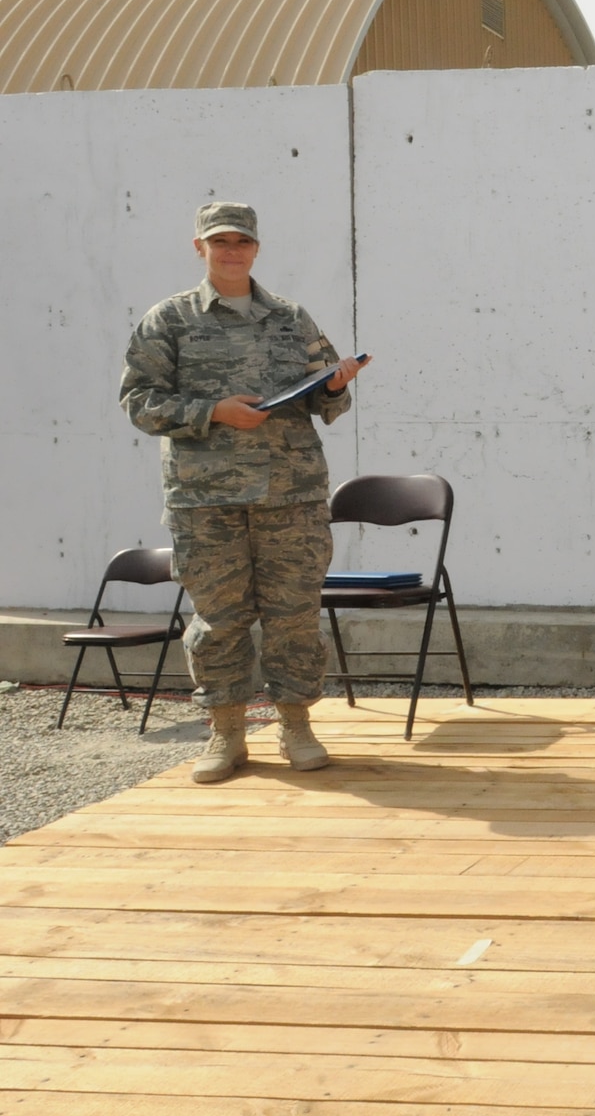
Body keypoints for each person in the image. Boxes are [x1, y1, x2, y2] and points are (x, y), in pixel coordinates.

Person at [119, 201, 368, 784]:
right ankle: (227, 731)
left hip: (292, 494)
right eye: (220, 241)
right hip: (206, 502)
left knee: (294, 617)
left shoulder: (292, 319)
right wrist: (215, 412)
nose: (232, 251)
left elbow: (328, 402)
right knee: (218, 618)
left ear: (256, 248)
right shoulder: (169, 321)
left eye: (242, 241)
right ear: (199, 247)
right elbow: (139, 401)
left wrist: (333, 385)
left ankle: (296, 725)